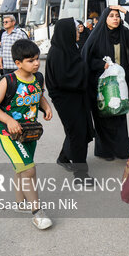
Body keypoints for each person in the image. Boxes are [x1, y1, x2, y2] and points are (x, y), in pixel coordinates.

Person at [0, 39, 54, 230]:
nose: (36, 63)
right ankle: (37, 212)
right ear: (18, 63)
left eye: (36, 59)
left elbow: (39, 94)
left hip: (29, 134)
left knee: (22, 169)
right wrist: (8, 120)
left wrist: (46, 106)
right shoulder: (7, 81)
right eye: (30, 60)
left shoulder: (37, 77)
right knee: (29, 170)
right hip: (9, 134)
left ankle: (20, 204)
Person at [82, 5, 129, 160]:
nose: (115, 19)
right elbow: (86, 57)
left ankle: (122, 149)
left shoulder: (123, 33)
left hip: (119, 83)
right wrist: (101, 65)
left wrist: (124, 10)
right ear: (105, 19)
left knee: (119, 113)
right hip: (101, 83)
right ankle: (104, 150)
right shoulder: (97, 36)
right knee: (103, 115)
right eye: (111, 16)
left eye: (117, 16)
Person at [46, 18, 95, 183]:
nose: (78, 32)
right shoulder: (58, 53)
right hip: (67, 100)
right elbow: (66, 79)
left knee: (77, 131)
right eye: (74, 30)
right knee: (77, 134)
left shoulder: (67, 48)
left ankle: (63, 158)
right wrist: (85, 68)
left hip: (76, 98)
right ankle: (80, 175)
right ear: (66, 32)